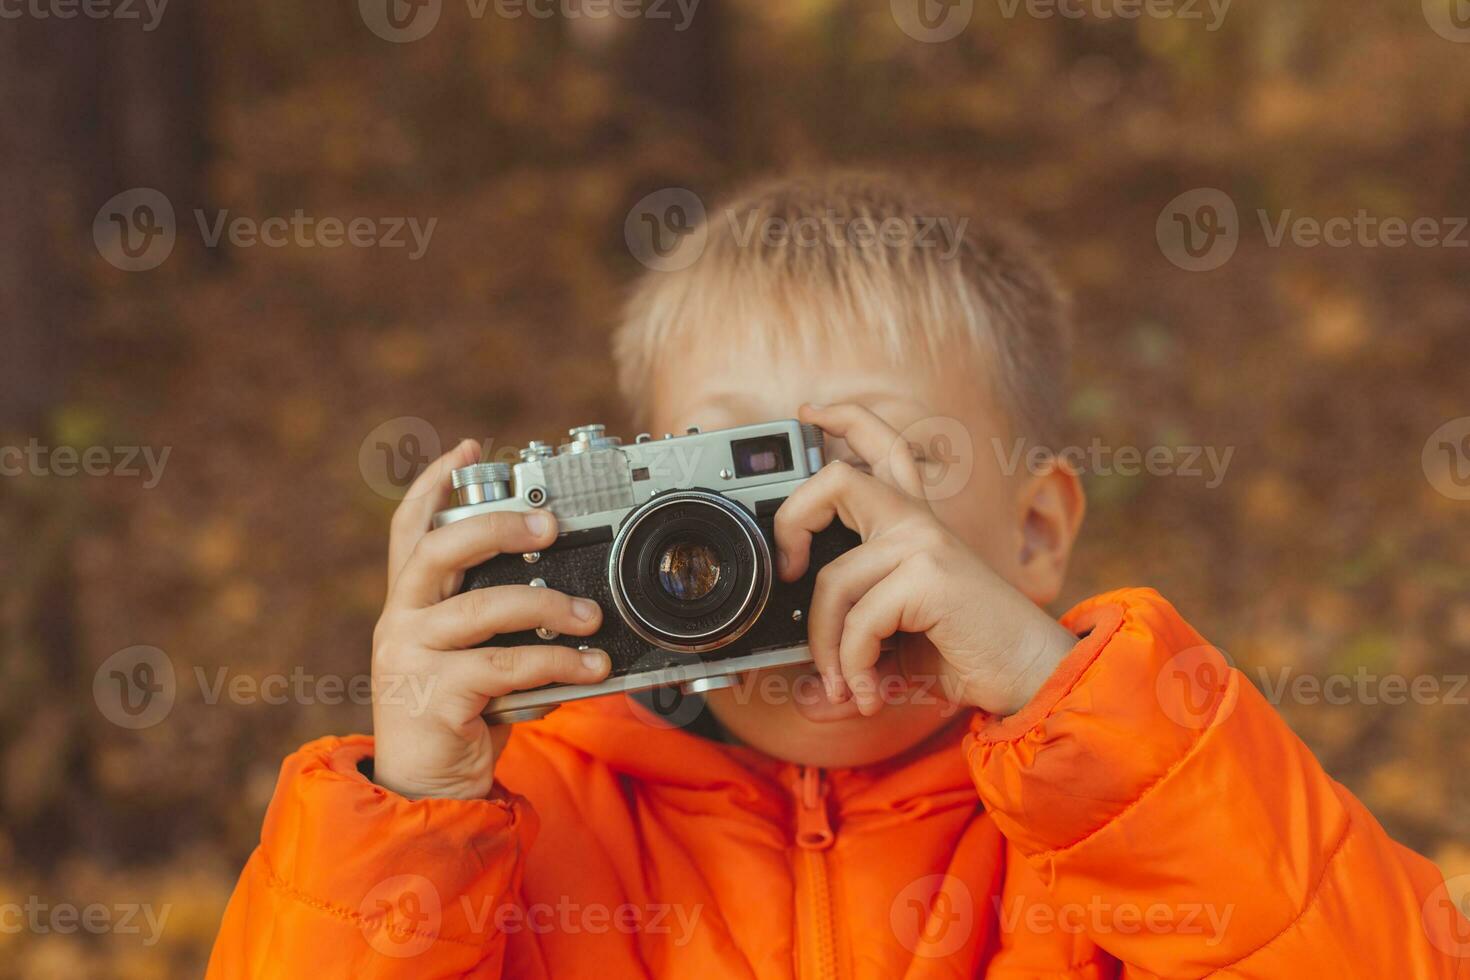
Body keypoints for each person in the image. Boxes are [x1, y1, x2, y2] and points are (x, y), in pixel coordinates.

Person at [207, 172, 1468, 978]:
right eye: (729, 491)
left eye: (881, 463)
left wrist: (1067, 708)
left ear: (1033, 536)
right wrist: (410, 814)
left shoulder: (1128, 808)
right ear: (636, 516)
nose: (799, 532)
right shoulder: (523, 830)